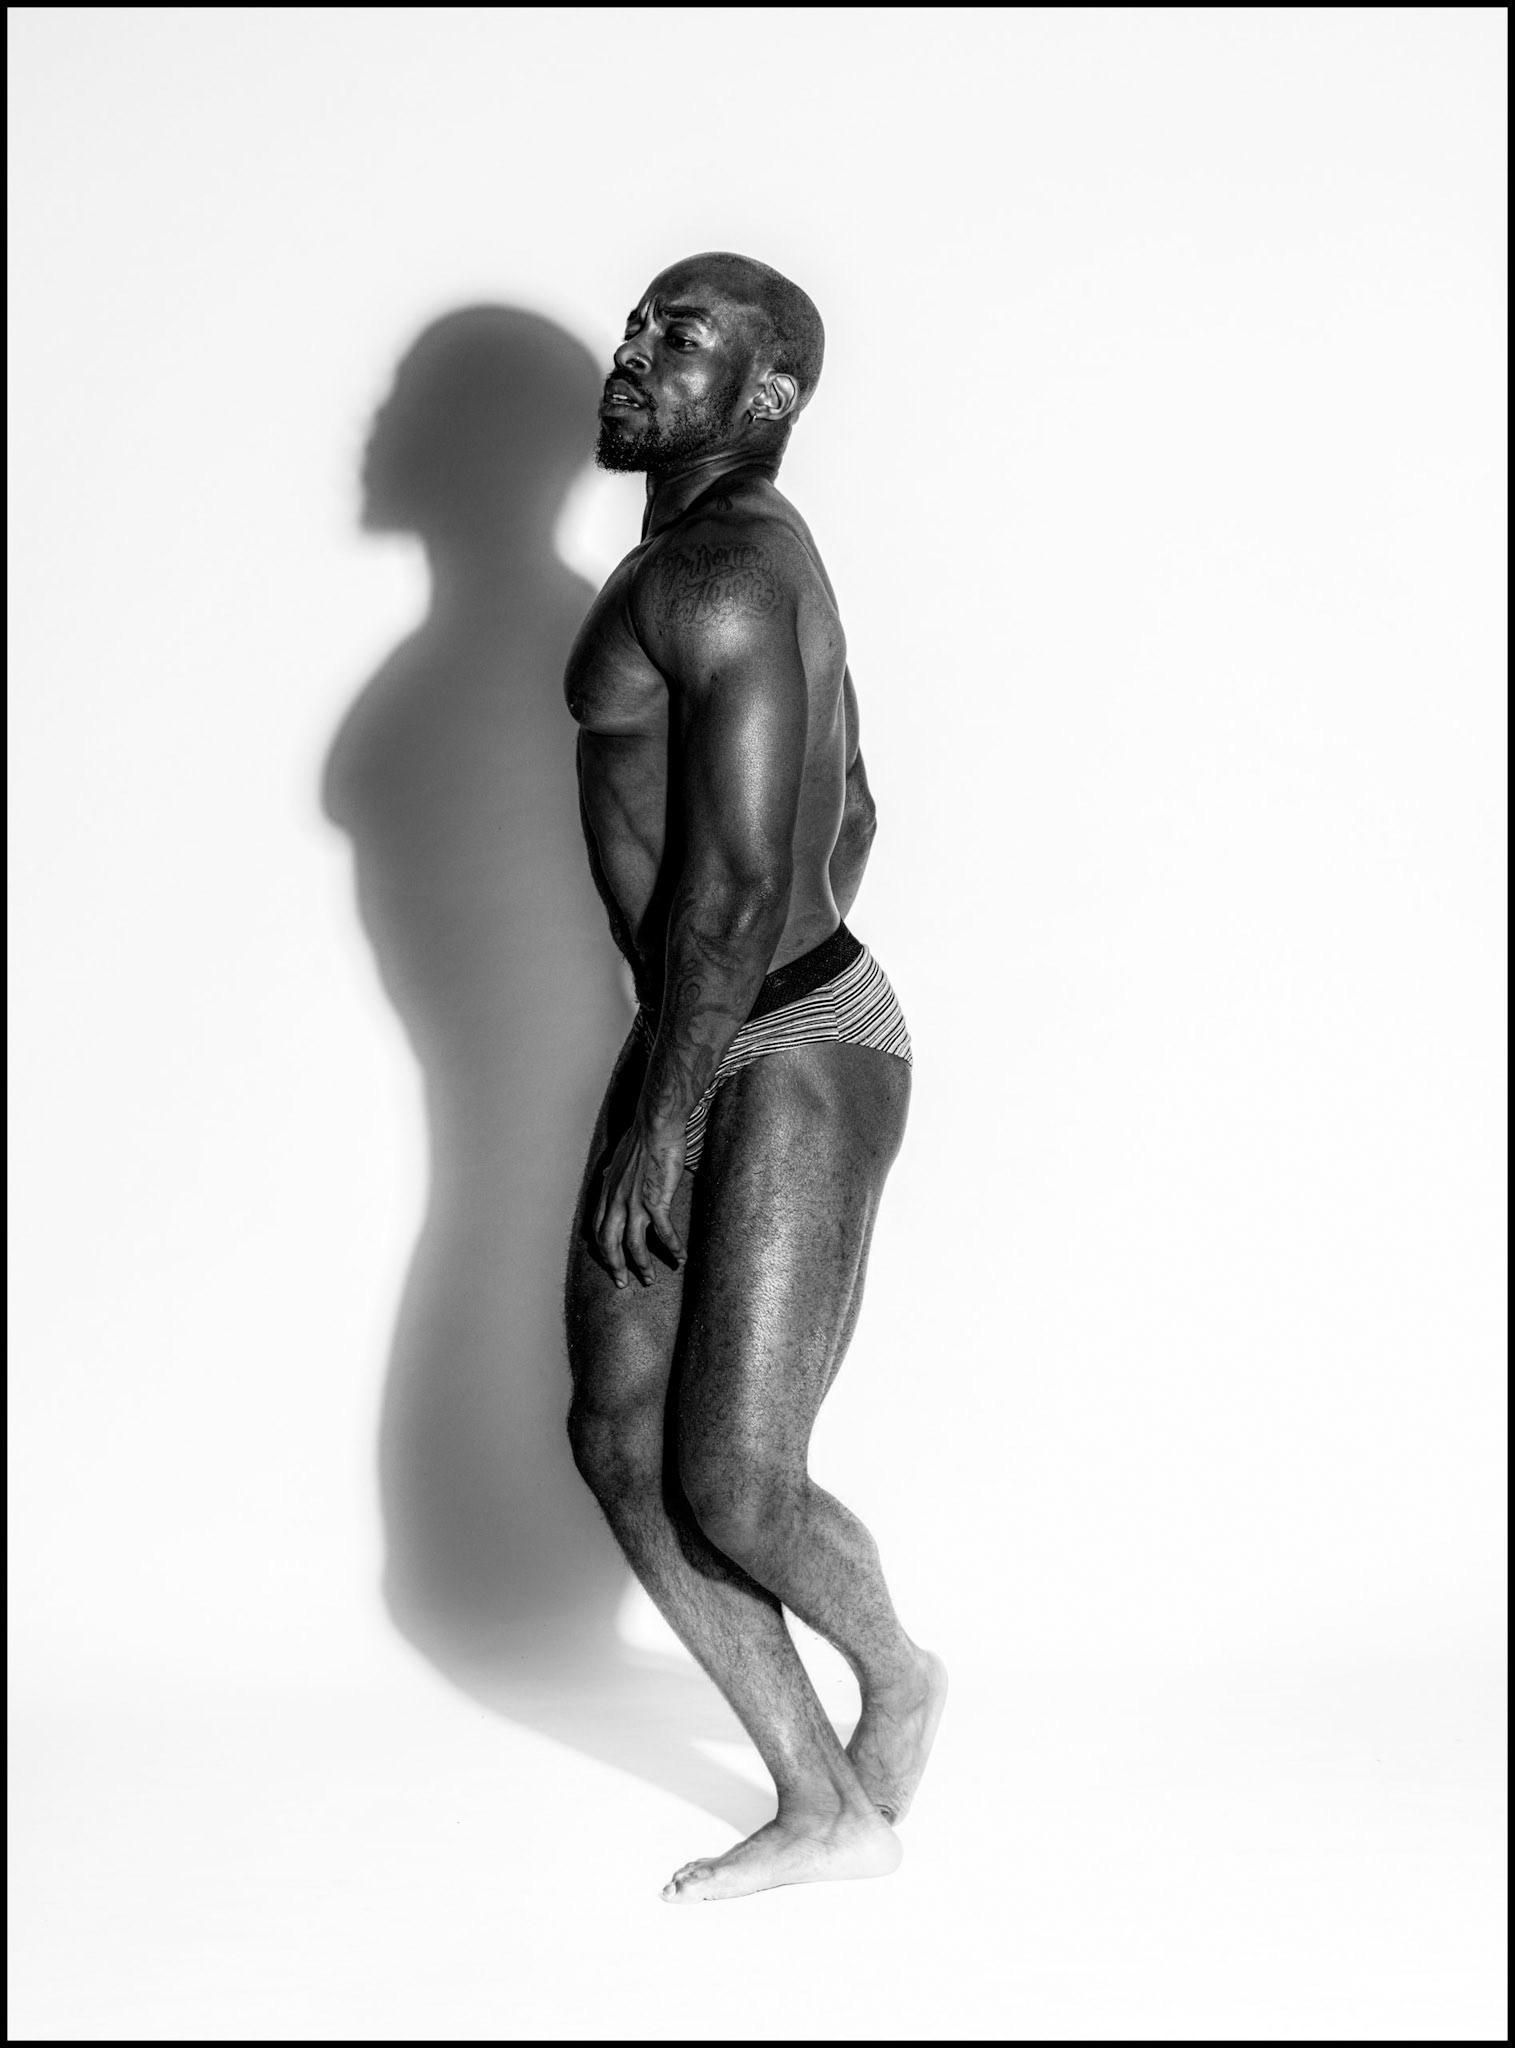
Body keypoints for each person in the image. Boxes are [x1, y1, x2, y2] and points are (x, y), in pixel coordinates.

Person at [563, 252, 946, 1904]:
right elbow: (852, 806)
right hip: (703, 1026)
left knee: (731, 1473)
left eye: (684, 334)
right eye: (638, 322)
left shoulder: (719, 570)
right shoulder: (723, 561)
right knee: (618, 1436)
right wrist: (679, 1049)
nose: (636, 348)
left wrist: (675, 1102)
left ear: (768, 391)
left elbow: (734, 883)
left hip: (784, 1036)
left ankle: (901, 1678)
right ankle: (822, 1804)